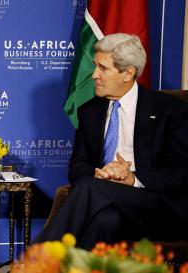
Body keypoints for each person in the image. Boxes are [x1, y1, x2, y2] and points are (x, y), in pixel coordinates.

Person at [34, 33, 188, 249]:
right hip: (107, 203)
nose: (94, 74)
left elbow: (181, 174)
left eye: (103, 68)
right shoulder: (90, 111)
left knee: (89, 187)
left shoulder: (170, 111)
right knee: (105, 221)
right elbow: (78, 166)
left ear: (128, 73)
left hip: (158, 207)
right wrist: (102, 175)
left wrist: (132, 179)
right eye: (95, 66)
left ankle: (36, 260)